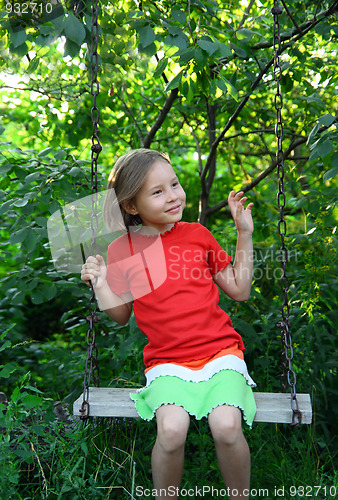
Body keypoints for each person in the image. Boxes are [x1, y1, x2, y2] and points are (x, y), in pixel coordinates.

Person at [81, 148, 256, 499]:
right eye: (157, 191)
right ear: (132, 206)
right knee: (172, 431)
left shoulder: (197, 236)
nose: (174, 195)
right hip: (166, 362)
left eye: (174, 184)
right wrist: (100, 284)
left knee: (226, 427)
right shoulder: (123, 250)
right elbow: (121, 315)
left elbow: (239, 289)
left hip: (220, 354)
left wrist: (244, 233)